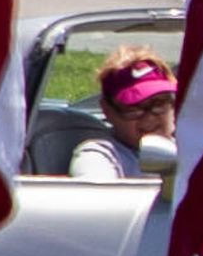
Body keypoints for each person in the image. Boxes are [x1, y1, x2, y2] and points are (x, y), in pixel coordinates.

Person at [70, 49, 181, 180]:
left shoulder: (189, 149)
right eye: (133, 109)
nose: (149, 119)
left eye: (159, 103)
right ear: (107, 111)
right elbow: (96, 195)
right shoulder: (99, 155)